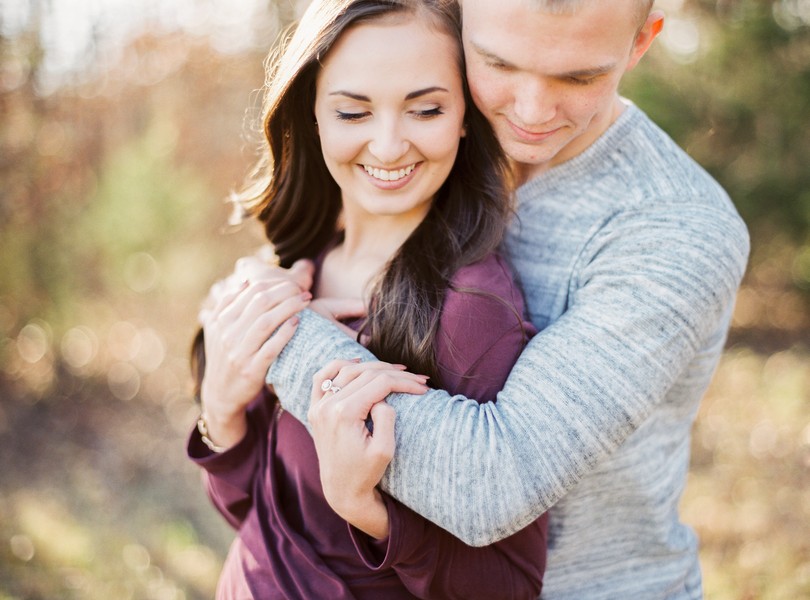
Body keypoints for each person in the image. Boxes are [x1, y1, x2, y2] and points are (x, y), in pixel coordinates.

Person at [218, 0, 751, 598]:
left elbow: (494, 486)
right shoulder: (424, 157)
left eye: (580, 77)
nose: (530, 112)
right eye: (498, 63)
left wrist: (271, 330)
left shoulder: (677, 228)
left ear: (641, 42)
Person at [188, 0, 548, 598]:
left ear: (465, 114)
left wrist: (365, 507)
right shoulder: (300, 264)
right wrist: (220, 411)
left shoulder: (470, 312)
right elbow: (257, 521)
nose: (386, 147)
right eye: (354, 112)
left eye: (425, 109)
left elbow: (510, 584)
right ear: (313, 117)